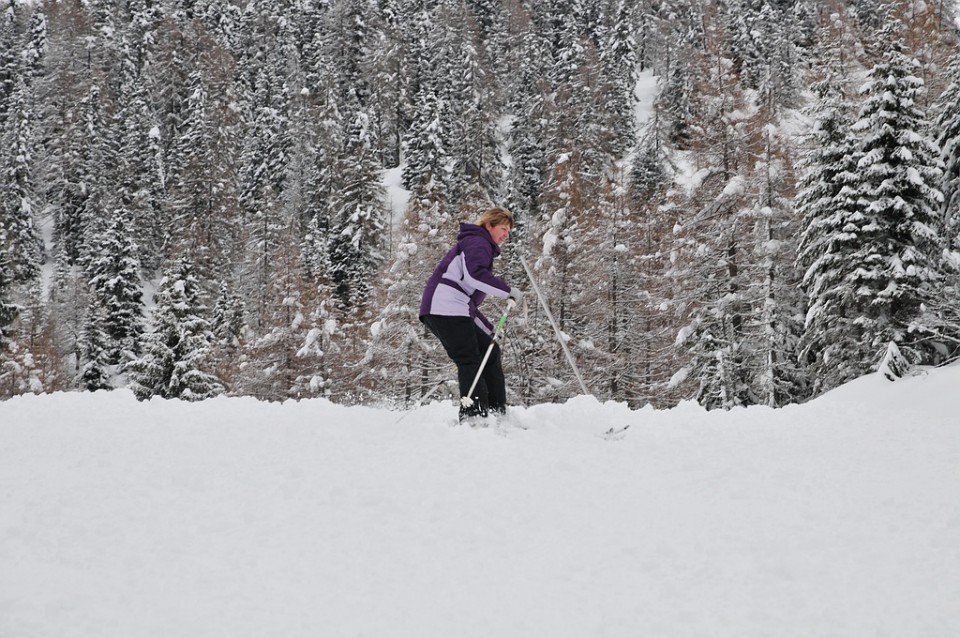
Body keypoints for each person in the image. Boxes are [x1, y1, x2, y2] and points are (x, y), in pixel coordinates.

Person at [419, 207, 523, 422]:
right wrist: (508, 292)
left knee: (490, 352)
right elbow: (476, 276)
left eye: (509, 231)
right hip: (444, 307)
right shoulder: (478, 242)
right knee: (470, 359)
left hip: (452, 308)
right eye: (503, 229)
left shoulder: (481, 245)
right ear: (489, 226)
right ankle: (473, 415)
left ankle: (496, 412)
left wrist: (488, 329)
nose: (506, 235)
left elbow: (469, 305)